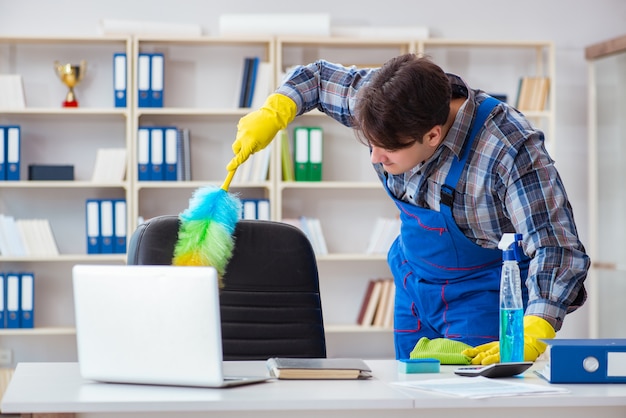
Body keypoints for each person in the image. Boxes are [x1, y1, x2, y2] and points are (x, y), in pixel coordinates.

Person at [226, 53, 589, 364]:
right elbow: (317, 78)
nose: (375, 157)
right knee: (412, 394)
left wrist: (536, 326)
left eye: (389, 149)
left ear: (432, 135)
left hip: (480, 296)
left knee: (467, 401)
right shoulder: (383, 102)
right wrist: (276, 110)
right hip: (413, 283)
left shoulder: (507, 147)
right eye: (370, 143)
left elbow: (555, 246)